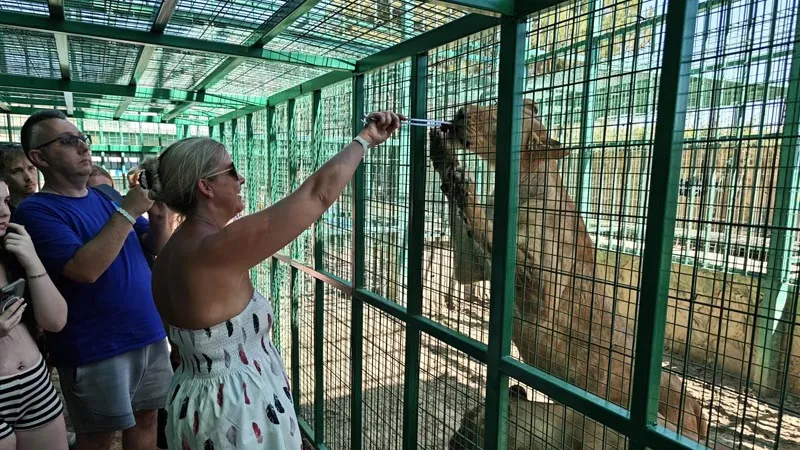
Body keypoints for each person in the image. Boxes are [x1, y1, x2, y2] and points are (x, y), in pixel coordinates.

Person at [142, 111, 404, 449]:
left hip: (194, 401)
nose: (241, 180)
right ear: (205, 187)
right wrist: (365, 139)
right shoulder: (215, 248)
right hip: (234, 411)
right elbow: (317, 196)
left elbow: (179, 351)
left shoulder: (170, 254)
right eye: (231, 171)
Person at [13, 109, 174, 450]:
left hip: (148, 332)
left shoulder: (105, 197)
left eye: (82, 139)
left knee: (148, 420)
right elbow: (84, 270)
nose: (83, 147)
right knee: (98, 438)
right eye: (68, 141)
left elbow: (153, 245)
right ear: (38, 157)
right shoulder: (38, 210)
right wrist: (129, 211)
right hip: (95, 347)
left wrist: (160, 218)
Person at [0, 177, 69, 450]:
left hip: (33, 381)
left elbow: (55, 321)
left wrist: (32, 259)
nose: (4, 212)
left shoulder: (12, 252)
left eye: (5, 201)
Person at [0, 144, 38, 215]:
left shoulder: (48, 204)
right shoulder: (3, 215)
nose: (28, 177)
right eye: (17, 171)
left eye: (31, 168)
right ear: (2, 175)